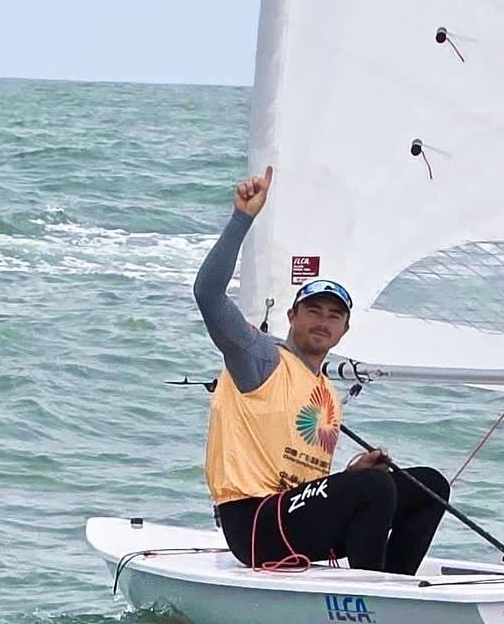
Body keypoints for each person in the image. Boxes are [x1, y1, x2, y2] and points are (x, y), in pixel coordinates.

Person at [193, 165, 450, 575]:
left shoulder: (327, 392)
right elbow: (207, 294)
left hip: (299, 522)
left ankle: (395, 586)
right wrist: (242, 218)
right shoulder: (260, 358)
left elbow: (308, 486)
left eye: (334, 315)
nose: (322, 320)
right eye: (313, 310)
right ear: (292, 315)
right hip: (255, 526)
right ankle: (370, 593)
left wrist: (349, 477)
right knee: (375, 486)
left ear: (344, 330)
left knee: (429, 486)